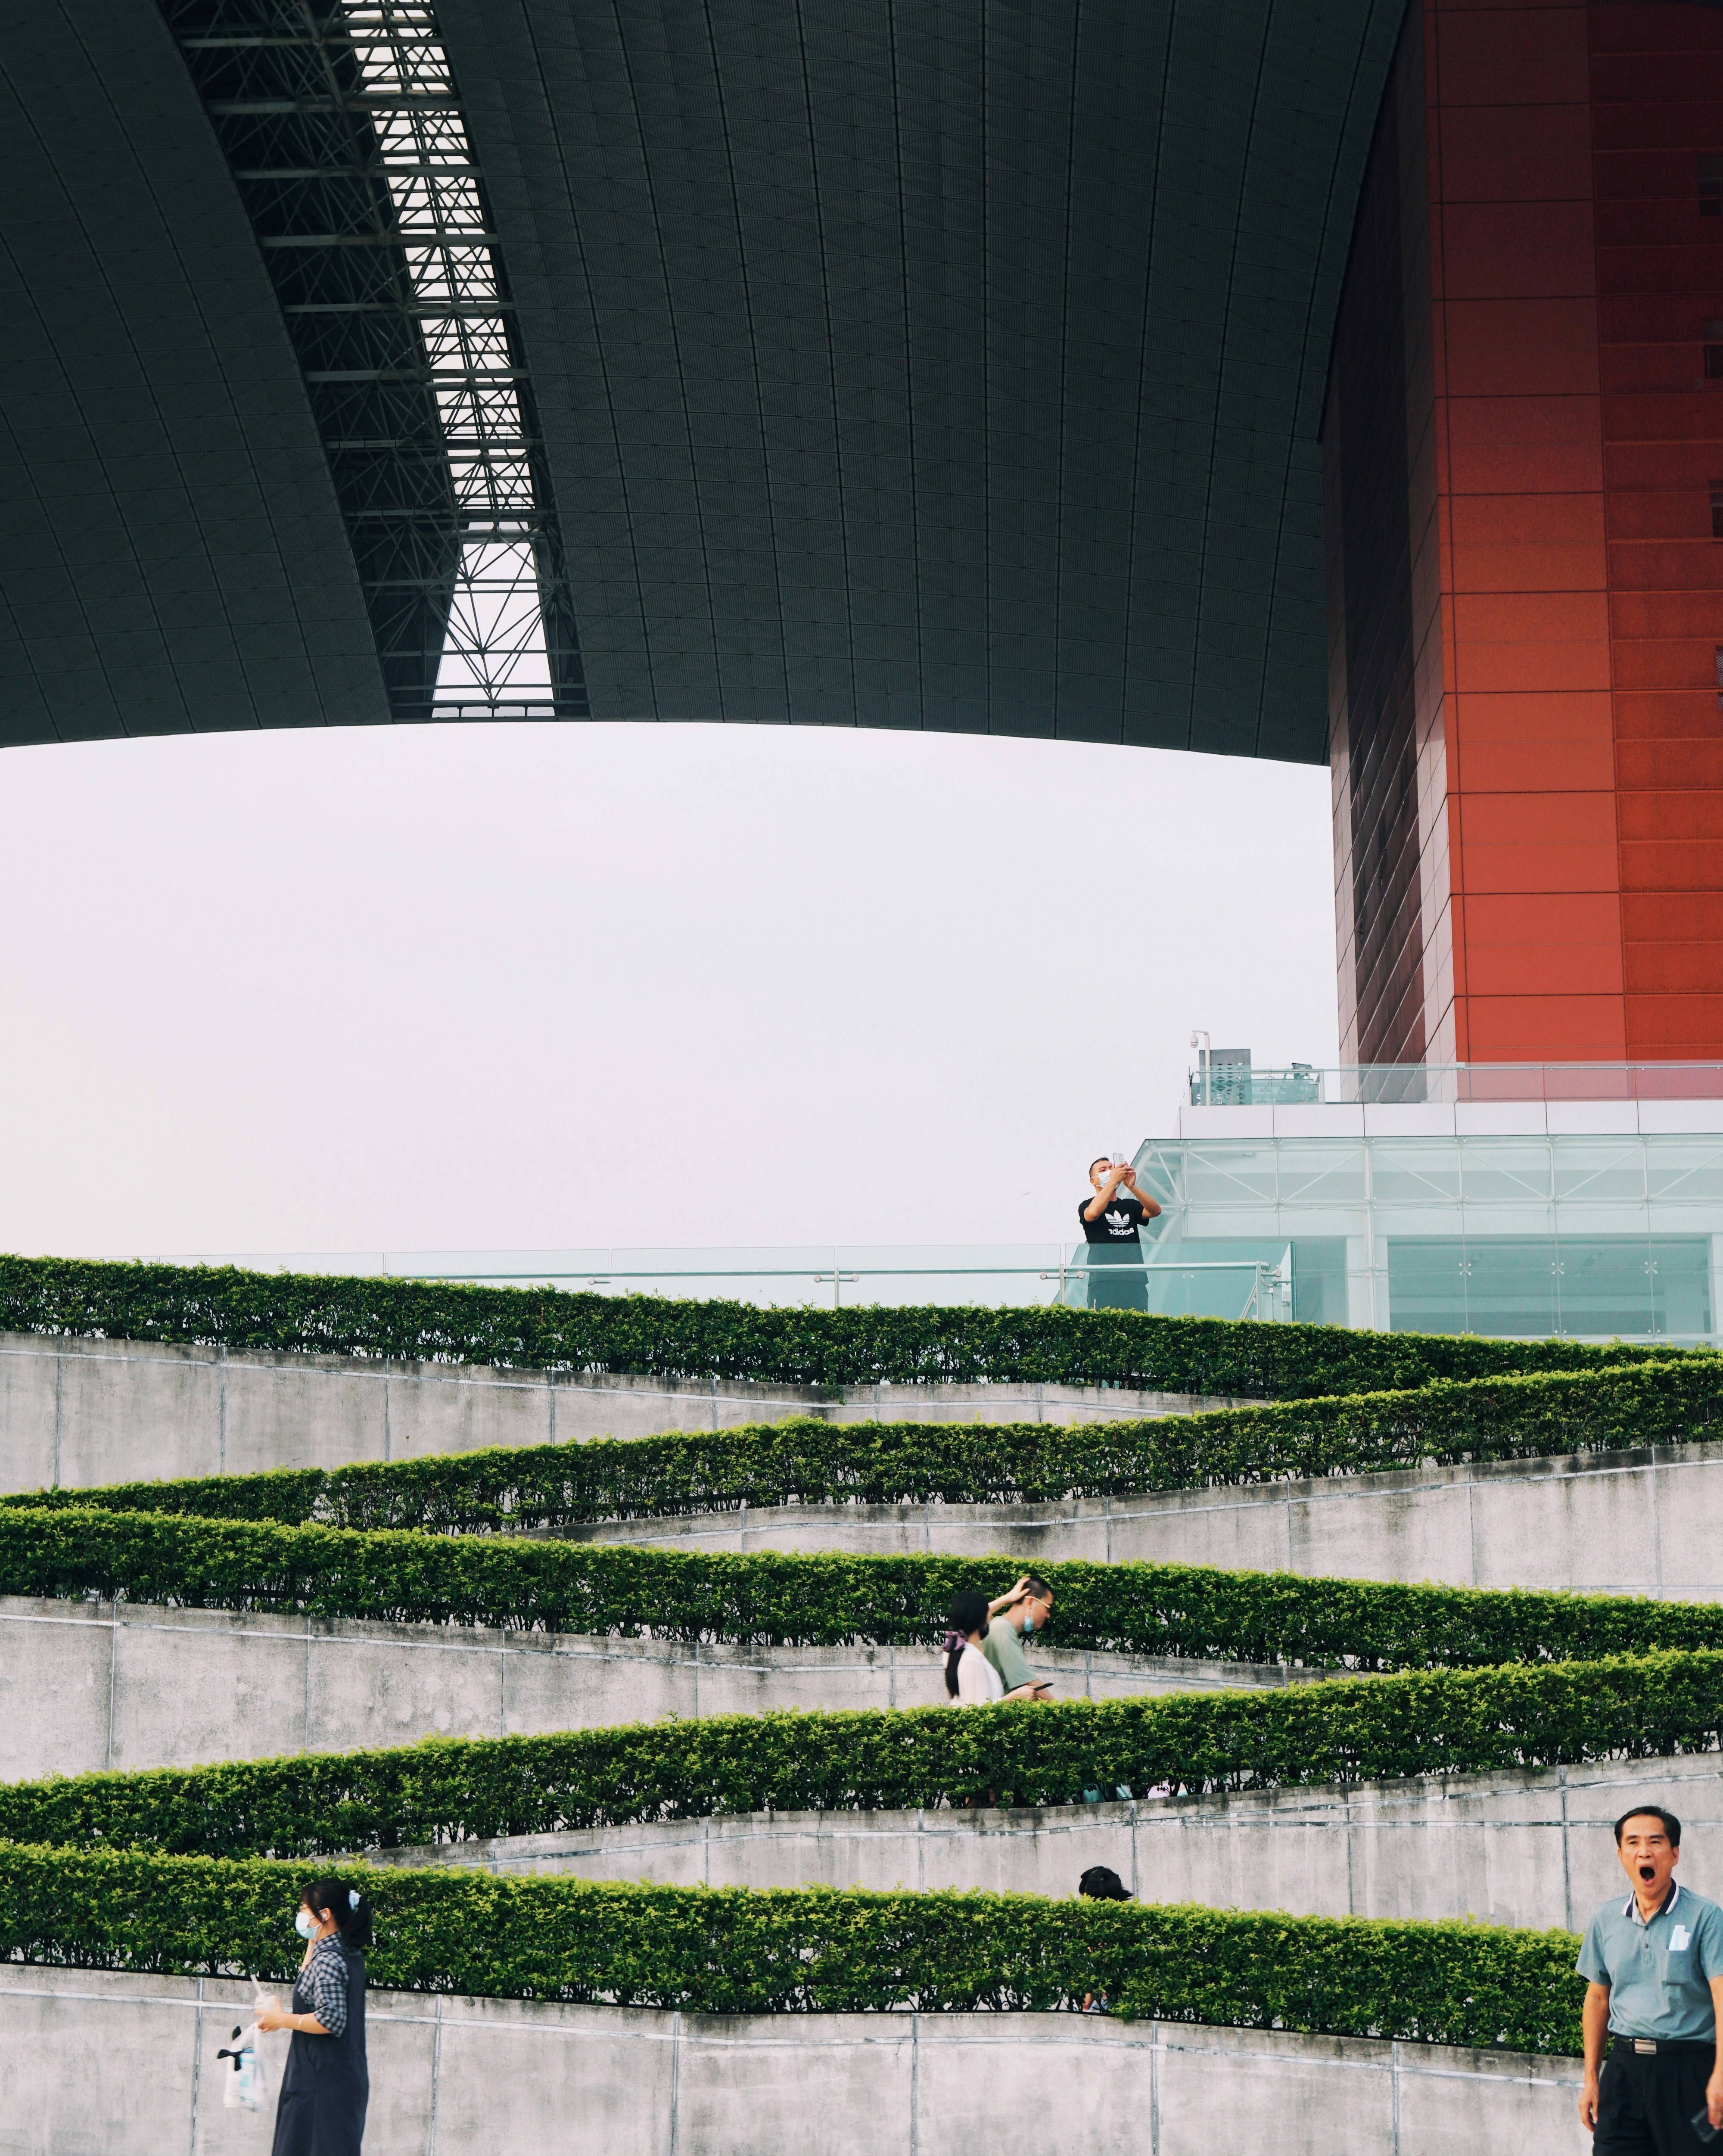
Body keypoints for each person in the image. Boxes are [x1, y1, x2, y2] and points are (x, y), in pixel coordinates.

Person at [1577, 1805, 1723, 2153]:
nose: (1644, 1851)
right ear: (1621, 1855)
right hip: (1624, 2069)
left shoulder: (1706, 1916)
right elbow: (1597, 1999)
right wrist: (1591, 2079)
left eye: (1656, 1841)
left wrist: (1721, 2074)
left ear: (1674, 1854)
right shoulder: (1605, 1919)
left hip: (1690, 2070)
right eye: (1633, 1842)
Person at [256, 1877, 373, 2156]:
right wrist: (313, 1937)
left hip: (324, 2084)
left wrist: (282, 2019)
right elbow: (311, 1974)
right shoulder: (345, 1953)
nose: (301, 1915)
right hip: (333, 2078)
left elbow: (331, 2018)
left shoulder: (331, 1960)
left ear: (325, 1915)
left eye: (304, 1908)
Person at [1078, 1155, 1162, 1310]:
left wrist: (1132, 1187)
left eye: (1112, 1168)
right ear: (1093, 1181)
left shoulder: (1129, 1206)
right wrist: (1112, 1181)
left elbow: (1155, 1211)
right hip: (1103, 1280)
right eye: (1103, 1170)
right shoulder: (1087, 1205)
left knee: (1137, 1327)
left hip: (1134, 1280)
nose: (1110, 1172)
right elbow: (1093, 1214)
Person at [942, 1588, 1045, 1705]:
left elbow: (970, 1613)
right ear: (983, 1617)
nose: (991, 1615)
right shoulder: (971, 1659)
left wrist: (1006, 1599)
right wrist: (1014, 1697)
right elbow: (977, 1710)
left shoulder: (953, 1651)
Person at [982, 1574, 1054, 1701]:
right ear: (1031, 1601)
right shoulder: (1002, 1628)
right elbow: (1028, 1682)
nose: (1048, 1616)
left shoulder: (1002, 1626)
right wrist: (1060, 1710)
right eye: (1048, 1608)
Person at [1078, 1864, 1132, 2013]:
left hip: (1108, 2003)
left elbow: (1101, 1970)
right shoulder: (1126, 1922)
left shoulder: (1105, 1929)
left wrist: (1086, 2003)